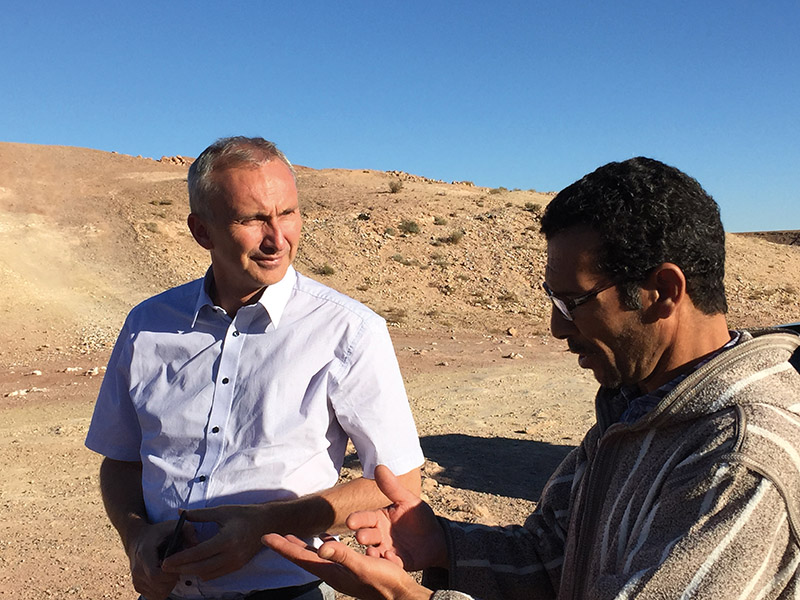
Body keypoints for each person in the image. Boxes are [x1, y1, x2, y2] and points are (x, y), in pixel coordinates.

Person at [264, 157, 800, 599]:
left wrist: (409, 598)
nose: (556, 327)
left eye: (573, 302)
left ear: (662, 291)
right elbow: (549, 558)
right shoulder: (636, 407)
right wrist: (441, 544)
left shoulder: (739, 459)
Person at [85, 136, 425, 600]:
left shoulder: (349, 330)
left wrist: (265, 524)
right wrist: (135, 536)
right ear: (201, 231)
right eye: (252, 219)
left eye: (288, 213)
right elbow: (122, 459)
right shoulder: (147, 324)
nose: (278, 239)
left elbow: (397, 484)